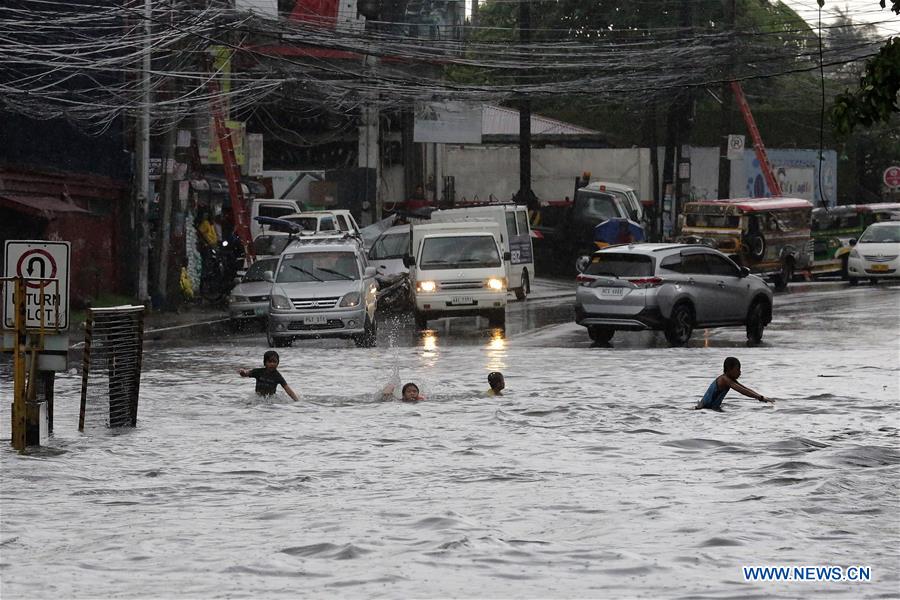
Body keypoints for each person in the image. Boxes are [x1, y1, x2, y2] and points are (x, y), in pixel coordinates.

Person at [696, 356, 772, 411]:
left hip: (709, 408)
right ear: (729, 369)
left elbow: (745, 389)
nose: (740, 372)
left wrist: (761, 397)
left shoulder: (729, 379)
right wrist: (760, 398)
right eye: (738, 370)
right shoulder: (724, 380)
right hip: (703, 408)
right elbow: (742, 391)